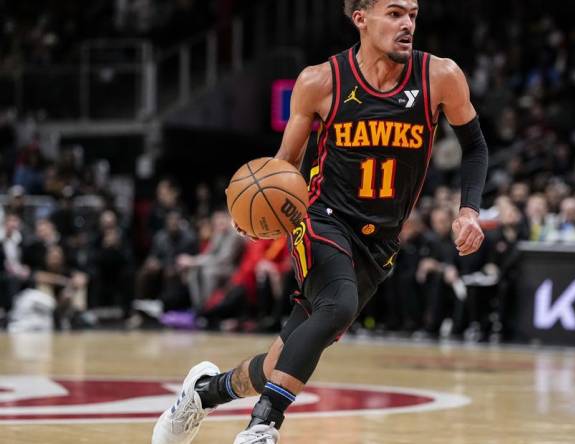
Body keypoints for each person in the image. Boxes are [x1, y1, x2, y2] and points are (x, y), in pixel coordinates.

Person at [152, 1, 488, 443]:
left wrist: (469, 210)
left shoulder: (440, 76)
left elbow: (476, 147)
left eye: (412, 13)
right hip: (319, 218)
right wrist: (257, 212)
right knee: (338, 307)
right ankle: (262, 426)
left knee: (283, 357)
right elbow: (284, 164)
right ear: (361, 18)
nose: (407, 23)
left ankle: (204, 393)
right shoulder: (320, 81)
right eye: (394, 13)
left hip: (380, 241)